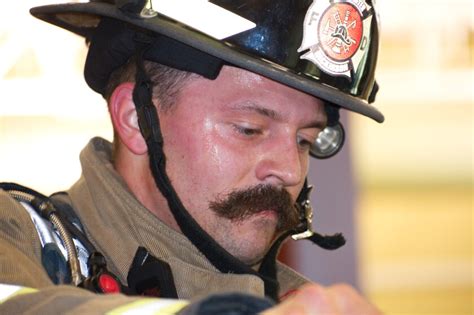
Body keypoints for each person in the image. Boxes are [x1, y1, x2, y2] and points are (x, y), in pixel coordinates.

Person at [0, 0, 384, 313]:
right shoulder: (17, 237)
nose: (289, 170)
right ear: (135, 119)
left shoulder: (299, 301)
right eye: (249, 129)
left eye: (305, 140)